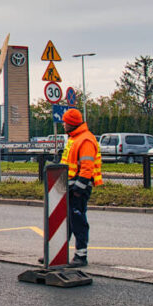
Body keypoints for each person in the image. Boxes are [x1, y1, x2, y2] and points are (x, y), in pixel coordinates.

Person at [60, 107, 103, 267]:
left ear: (72, 123)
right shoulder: (75, 138)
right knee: (68, 222)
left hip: (79, 189)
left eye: (65, 122)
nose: (63, 124)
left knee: (78, 222)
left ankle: (81, 256)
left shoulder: (85, 140)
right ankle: (57, 253)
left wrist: (78, 190)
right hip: (70, 188)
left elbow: (87, 168)